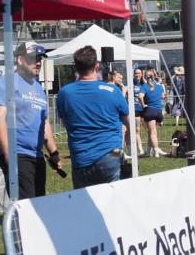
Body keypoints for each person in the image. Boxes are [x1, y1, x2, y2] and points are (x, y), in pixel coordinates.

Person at [0, 41, 60, 199]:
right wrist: (8, 154)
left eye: (40, 59)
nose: (38, 62)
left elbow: (44, 121)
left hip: (36, 154)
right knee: (26, 203)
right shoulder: (5, 83)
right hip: (17, 152)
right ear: (20, 60)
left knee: (39, 201)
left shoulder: (38, 87)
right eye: (34, 58)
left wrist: (54, 152)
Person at [56, 46, 130, 188]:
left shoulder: (65, 93)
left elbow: (64, 122)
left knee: (85, 205)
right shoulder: (113, 91)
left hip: (81, 157)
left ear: (76, 68)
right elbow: (128, 122)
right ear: (97, 66)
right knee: (113, 201)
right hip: (110, 155)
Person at [140, 68, 165, 157]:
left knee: (152, 132)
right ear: (154, 76)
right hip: (159, 111)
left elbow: (140, 96)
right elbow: (163, 96)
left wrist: (143, 104)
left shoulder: (144, 86)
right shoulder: (159, 86)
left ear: (146, 77)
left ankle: (156, 151)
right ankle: (149, 151)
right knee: (152, 132)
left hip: (150, 110)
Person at [131, 67, 146, 156]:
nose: (137, 75)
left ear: (142, 74)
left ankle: (151, 148)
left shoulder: (144, 84)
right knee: (137, 130)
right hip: (135, 109)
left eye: (139, 73)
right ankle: (140, 149)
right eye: (136, 73)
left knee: (149, 129)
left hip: (145, 109)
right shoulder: (130, 83)